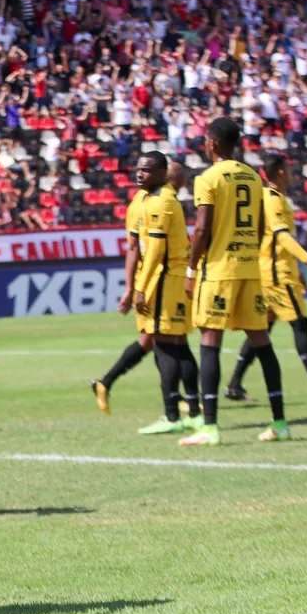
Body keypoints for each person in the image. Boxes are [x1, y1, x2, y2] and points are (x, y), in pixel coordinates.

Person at [182, 117, 287, 446]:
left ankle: (210, 427)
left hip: (219, 270)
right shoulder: (254, 177)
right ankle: (280, 422)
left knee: (210, 339)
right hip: (249, 268)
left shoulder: (208, 177)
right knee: (262, 343)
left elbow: (202, 228)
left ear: (212, 144)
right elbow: (258, 227)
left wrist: (190, 269)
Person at [224, 154, 307, 401]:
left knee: (262, 329)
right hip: (277, 274)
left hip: (270, 271)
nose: (290, 173)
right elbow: (282, 237)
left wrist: (298, 271)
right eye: (287, 169)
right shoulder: (274, 200)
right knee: (300, 324)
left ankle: (234, 385)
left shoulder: (268, 199)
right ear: (280, 172)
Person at [91, 163, 200, 424]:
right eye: (182, 180)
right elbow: (135, 248)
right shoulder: (146, 204)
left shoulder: (158, 201)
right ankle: (179, 406)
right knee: (163, 341)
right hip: (155, 281)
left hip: (161, 280)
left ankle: (108, 383)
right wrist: (132, 289)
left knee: (161, 341)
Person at [132, 152, 204, 435]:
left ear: (163, 174)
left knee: (163, 347)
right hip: (173, 279)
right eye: (138, 169)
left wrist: (140, 287)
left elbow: (156, 251)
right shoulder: (162, 199)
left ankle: (172, 415)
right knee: (179, 346)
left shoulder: (160, 202)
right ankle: (195, 413)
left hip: (164, 280)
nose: (140, 174)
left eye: (147, 170)